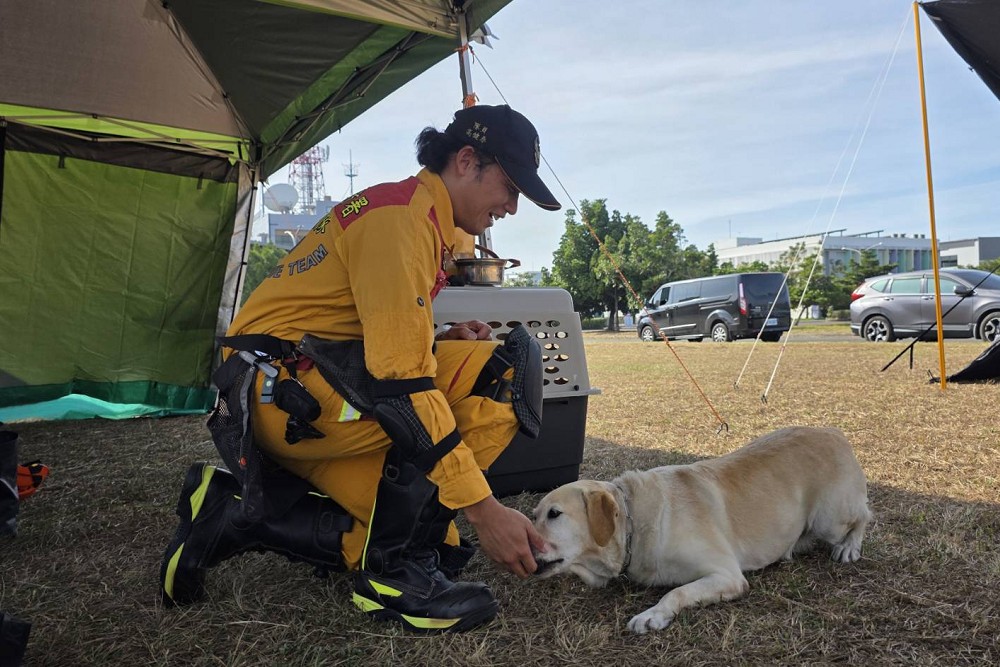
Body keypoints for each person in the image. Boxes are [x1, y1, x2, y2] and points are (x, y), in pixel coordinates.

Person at [159, 104, 561, 633]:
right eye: (510, 187)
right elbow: (401, 386)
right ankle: (396, 577)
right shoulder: (399, 221)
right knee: (501, 374)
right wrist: (485, 511)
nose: (511, 207)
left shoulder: (417, 216)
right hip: (282, 398)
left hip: (295, 385)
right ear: (467, 160)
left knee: (426, 536)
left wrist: (437, 339)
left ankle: (231, 514)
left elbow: (359, 332)